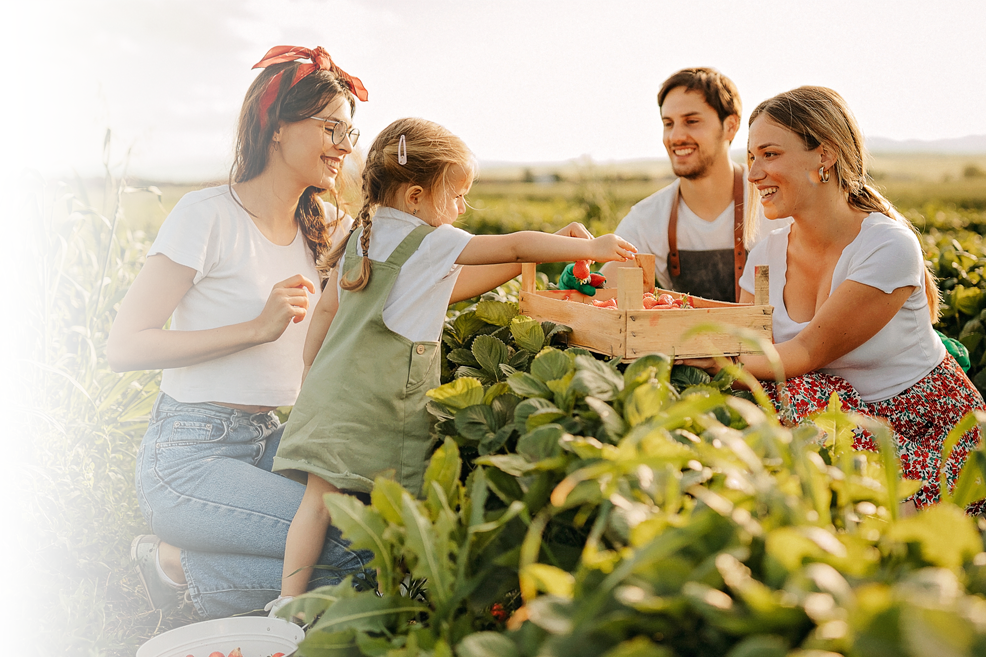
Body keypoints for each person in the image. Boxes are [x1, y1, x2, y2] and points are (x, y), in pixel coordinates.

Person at [265, 117, 638, 613]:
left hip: (332, 396)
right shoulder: (428, 241)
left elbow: (335, 309)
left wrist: (312, 373)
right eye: (458, 195)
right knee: (396, 510)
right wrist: (585, 247)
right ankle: (395, 602)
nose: (462, 208)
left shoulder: (365, 235)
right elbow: (510, 244)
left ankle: (286, 604)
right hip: (381, 405)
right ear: (417, 196)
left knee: (317, 503)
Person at [106, 45, 374, 619]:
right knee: (352, 557)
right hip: (189, 456)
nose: (344, 146)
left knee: (377, 535)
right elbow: (124, 346)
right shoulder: (206, 215)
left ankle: (186, 566)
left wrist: (552, 250)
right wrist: (254, 329)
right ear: (277, 128)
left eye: (351, 133)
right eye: (331, 127)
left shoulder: (324, 226)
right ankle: (174, 567)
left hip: (275, 441)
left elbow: (423, 263)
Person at [695, 85, 984, 513]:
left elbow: (805, 351)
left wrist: (706, 357)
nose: (753, 174)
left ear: (824, 157)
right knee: (778, 396)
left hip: (930, 428)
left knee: (793, 389)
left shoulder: (887, 246)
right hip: (838, 424)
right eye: (751, 157)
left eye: (770, 154)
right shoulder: (766, 257)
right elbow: (746, 351)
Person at [600, 67, 784, 302]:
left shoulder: (774, 203)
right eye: (668, 123)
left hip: (772, 340)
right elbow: (604, 292)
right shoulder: (646, 220)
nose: (676, 136)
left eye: (692, 121)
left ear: (731, 126)